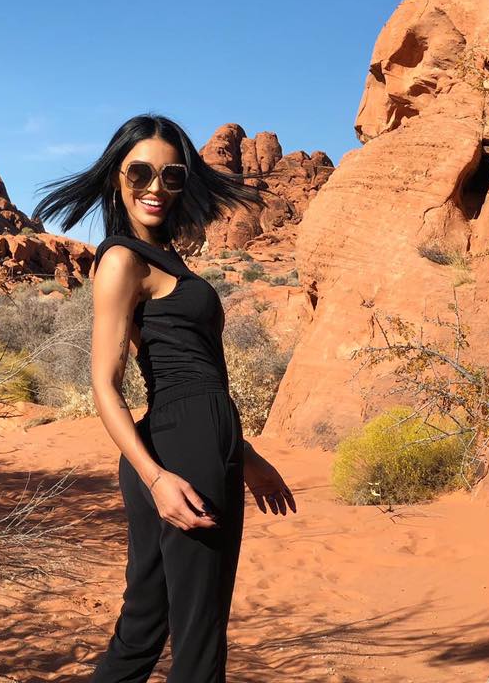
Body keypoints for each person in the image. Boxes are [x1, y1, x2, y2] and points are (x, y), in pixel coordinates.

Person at [31, 113, 296, 682]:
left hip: (192, 444)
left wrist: (246, 457)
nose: (155, 187)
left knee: (143, 630)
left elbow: (199, 375)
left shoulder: (164, 257)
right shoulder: (122, 260)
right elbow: (105, 384)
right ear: (117, 176)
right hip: (179, 456)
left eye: (171, 175)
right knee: (199, 641)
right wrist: (156, 479)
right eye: (140, 172)